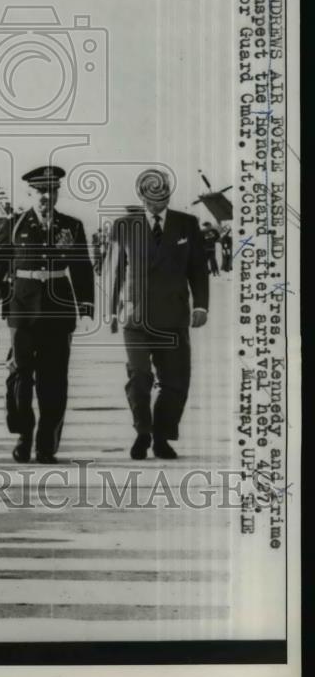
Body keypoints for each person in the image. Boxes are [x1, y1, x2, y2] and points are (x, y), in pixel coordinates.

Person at [0, 166, 94, 464]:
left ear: (58, 193)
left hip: (58, 310)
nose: (47, 196)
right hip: (22, 308)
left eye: (53, 190)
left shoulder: (71, 226)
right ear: (30, 193)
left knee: (54, 379)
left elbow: (82, 267)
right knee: (20, 376)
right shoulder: (14, 224)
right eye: (41, 191)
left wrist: (86, 305)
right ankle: (24, 432)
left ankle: (46, 445)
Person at [110, 168, 209, 460]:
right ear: (141, 197)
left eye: (164, 198)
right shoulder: (123, 225)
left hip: (174, 315)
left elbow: (199, 269)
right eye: (153, 200)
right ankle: (142, 431)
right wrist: (111, 311)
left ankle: (163, 436)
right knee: (139, 377)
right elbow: (115, 271)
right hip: (136, 317)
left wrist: (201, 305)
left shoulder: (187, 224)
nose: (159, 204)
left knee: (175, 381)